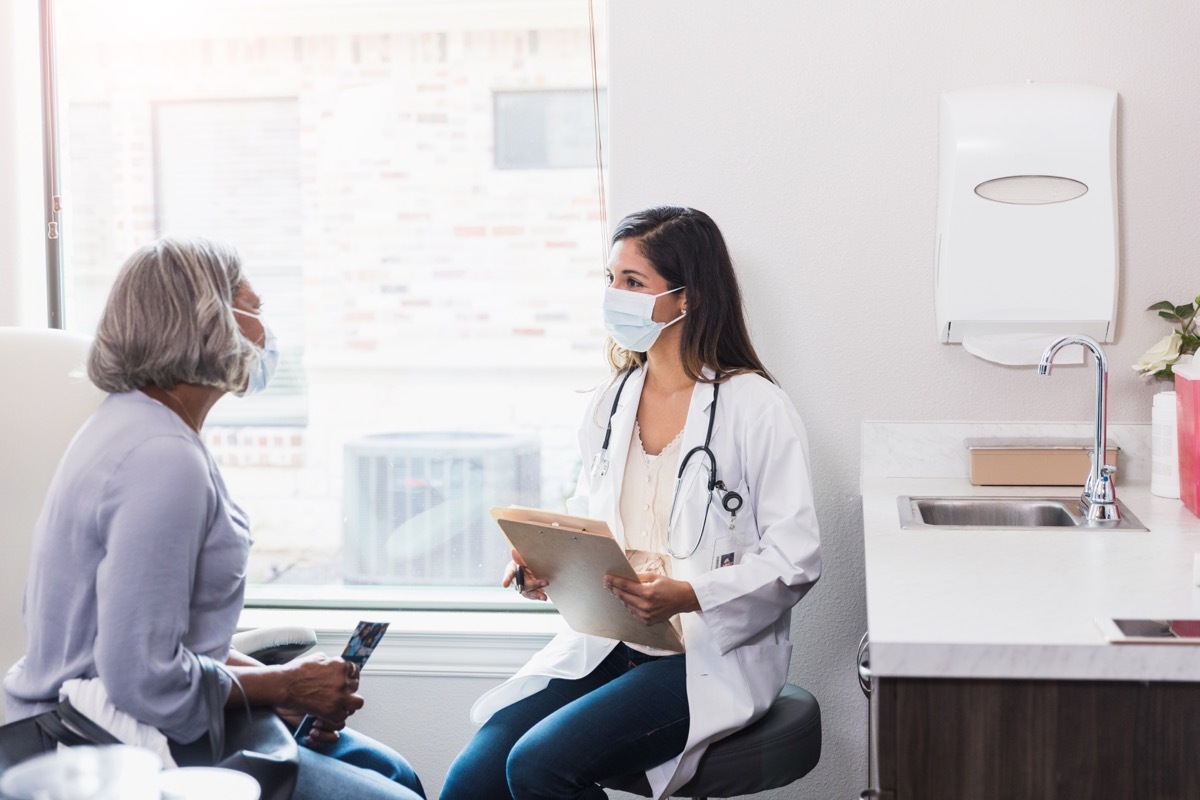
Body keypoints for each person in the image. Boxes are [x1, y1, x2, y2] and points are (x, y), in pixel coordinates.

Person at [3, 237, 426, 800]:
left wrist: (283, 689)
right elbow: (141, 677)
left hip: (132, 708)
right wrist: (285, 682)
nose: (264, 334)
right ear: (207, 321)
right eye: (255, 308)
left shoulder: (142, 426)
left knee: (394, 772)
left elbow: (153, 632)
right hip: (98, 740)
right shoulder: (162, 458)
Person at [440, 206, 822, 800]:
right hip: (610, 638)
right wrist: (548, 567)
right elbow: (589, 527)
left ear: (685, 298)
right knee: (473, 779)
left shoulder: (756, 407)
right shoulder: (612, 401)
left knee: (538, 766)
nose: (613, 295)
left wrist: (689, 593)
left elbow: (796, 559)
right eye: (610, 279)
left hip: (702, 654)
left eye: (633, 282)